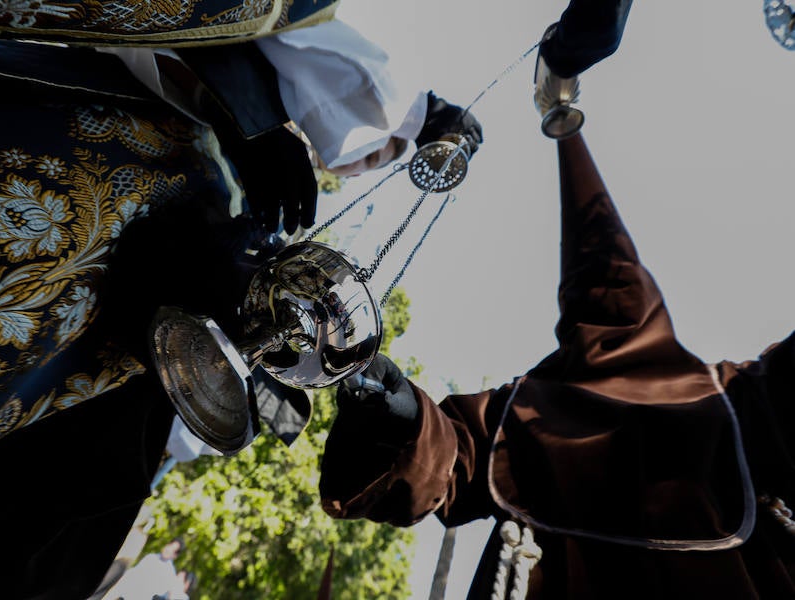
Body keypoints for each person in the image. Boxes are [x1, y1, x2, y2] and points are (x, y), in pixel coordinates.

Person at [0, 3, 482, 599]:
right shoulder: (193, 138)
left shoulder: (142, 393)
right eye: (380, 150)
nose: (369, 160)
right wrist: (228, 108)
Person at [317, 11, 795, 597]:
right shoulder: (529, 408)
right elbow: (447, 463)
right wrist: (401, 420)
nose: (607, 326)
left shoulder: (741, 402)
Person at [102, 538, 184, 600]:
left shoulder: (169, 572)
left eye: (173, 550)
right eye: (169, 546)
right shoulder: (150, 557)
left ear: (175, 556)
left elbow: (160, 592)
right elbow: (133, 574)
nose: (168, 550)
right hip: (123, 593)